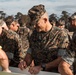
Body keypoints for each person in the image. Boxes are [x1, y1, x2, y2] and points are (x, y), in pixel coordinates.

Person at [18, 4, 69, 74]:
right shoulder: (33, 34)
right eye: (33, 23)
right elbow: (29, 54)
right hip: (38, 73)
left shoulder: (60, 34)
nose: (34, 26)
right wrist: (24, 62)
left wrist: (42, 66)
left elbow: (62, 59)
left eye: (36, 23)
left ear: (45, 20)